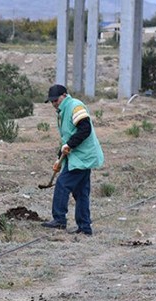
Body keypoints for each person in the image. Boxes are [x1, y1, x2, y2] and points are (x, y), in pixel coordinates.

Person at [41, 84, 104, 235]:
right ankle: (84, 227)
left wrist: (69, 144)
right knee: (81, 192)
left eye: (55, 100)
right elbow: (69, 135)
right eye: (51, 102)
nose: (54, 104)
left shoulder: (75, 106)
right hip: (77, 156)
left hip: (82, 157)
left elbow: (85, 129)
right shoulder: (64, 110)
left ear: (64, 95)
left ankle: (59, 220)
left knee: (62, 184)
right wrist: (59, 158)